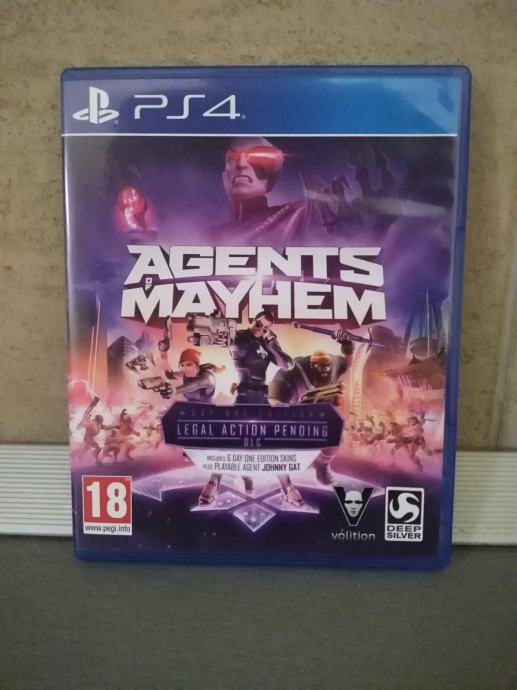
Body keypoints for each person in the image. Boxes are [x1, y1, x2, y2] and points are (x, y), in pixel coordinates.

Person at [269, 329, 354, 484]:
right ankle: (285, 474)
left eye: (327, 367)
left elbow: (347, 362)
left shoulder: (334, 364)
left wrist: (347, 344)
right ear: (312, 366)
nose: (325, 370)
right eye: (321, 368)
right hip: (293, 410)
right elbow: (273, 400)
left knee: (335, 433)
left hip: (321, 409)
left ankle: (322, 464)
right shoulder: (290, 373)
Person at [214, 137, 309, 245]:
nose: (241, 164)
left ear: (272, 179)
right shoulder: (210, 235)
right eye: (233, 158)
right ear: (225, 178)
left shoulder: (295, 214)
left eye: (259, 158)